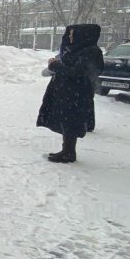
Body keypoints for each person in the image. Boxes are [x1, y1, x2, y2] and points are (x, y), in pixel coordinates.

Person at [37, 24, 104, 163]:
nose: (70, 36)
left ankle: (68, 153)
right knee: (66, 121)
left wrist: (55, 65)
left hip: (76, 94)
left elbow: (77, 72)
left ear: (83, 35)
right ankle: (66, 150)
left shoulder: (91, 51)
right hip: (69, 93)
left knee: (71, 121)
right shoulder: (77, 50)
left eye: (72, 34)